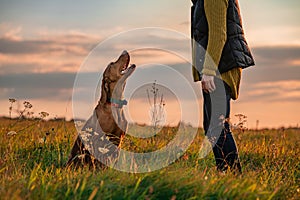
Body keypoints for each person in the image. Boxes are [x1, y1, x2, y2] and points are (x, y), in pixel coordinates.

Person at [191, 0, 255, 173]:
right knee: (213, 127)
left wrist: (209, 70)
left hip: (219, 70)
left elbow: (219, 34)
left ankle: (235, 177)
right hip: (218, 68)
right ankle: (225, 174)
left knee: (217, 128)